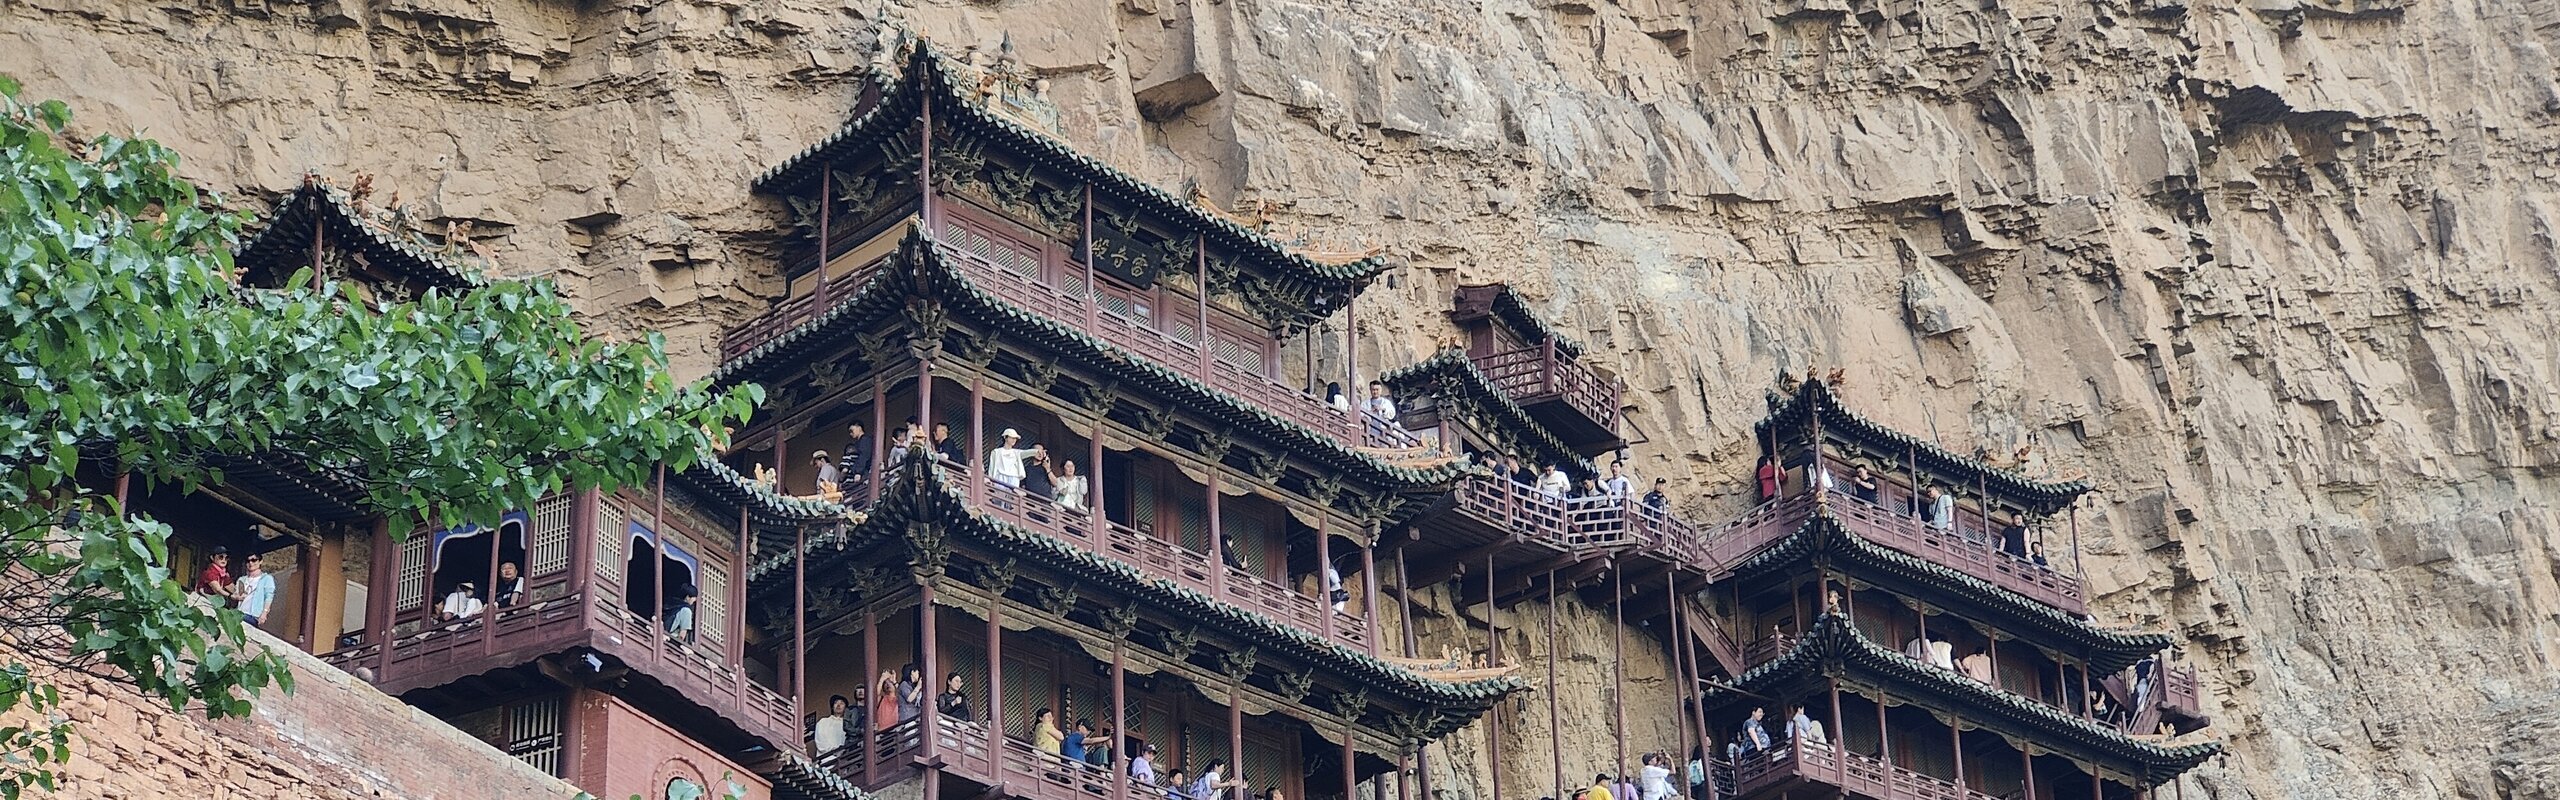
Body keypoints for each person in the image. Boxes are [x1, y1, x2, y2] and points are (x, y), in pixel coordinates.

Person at [233, 552, 277, 627]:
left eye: (254, 560)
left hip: (253, 615)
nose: (251, 563)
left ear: (260, 561)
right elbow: (236, 594)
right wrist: (235, 596)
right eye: (248, 561)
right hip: (239, 612)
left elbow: (269, 597)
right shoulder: (242, 579)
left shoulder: (266, 578)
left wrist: (264, 613)